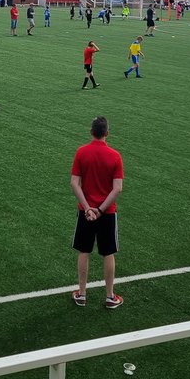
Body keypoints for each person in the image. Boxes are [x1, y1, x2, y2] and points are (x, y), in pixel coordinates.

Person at [70, 115, 124, 309]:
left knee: (84, 251)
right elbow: (117, 188)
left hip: (85, 213)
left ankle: (82, 294)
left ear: (91, 132)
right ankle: (110, 296)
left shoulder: (81, 152)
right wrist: (100, 210)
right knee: (108, 253)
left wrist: (87, 208)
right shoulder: (115, 156)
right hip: (107, 213)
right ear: (107, 133)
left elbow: (74, 183)